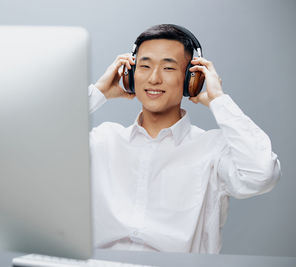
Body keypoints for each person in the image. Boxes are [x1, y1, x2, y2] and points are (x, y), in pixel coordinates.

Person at [88, 24, 281, 254]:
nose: (154, 78)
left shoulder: (213, 149)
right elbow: (37, 152)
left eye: (168, 68)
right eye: (145, 66)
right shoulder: (102, 140)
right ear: (129, 74)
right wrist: (98, 92)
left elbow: (262, 174)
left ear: (192, 78)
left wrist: (218, 100)